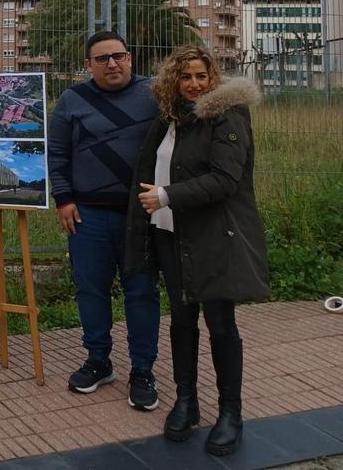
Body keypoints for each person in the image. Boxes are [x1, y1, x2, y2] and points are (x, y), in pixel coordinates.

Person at [125, 46, 267, 456]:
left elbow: (225, 178)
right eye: (185, 77)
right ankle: (186, 400)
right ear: (174, 80)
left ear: (212, 79)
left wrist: (168, 195)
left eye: (200, 76)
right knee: (182, 320)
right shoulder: (171, 120)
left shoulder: (227, 115)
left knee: (221, 323)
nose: (193, 84)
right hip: (171, 234)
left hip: (213, 237)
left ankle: (230, 413)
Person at [46, 30, 162, 411]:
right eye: (102, 58)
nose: (112, 64)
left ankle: (143, 370)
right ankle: (98, 360)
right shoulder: (72, 100)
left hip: (141, 216)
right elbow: (57, 153)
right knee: (90, 291)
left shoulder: (156, 95)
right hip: (87, 216)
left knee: (141, 293)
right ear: (88, 65)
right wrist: (63, 199)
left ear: (131, 57)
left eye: (119, 56)